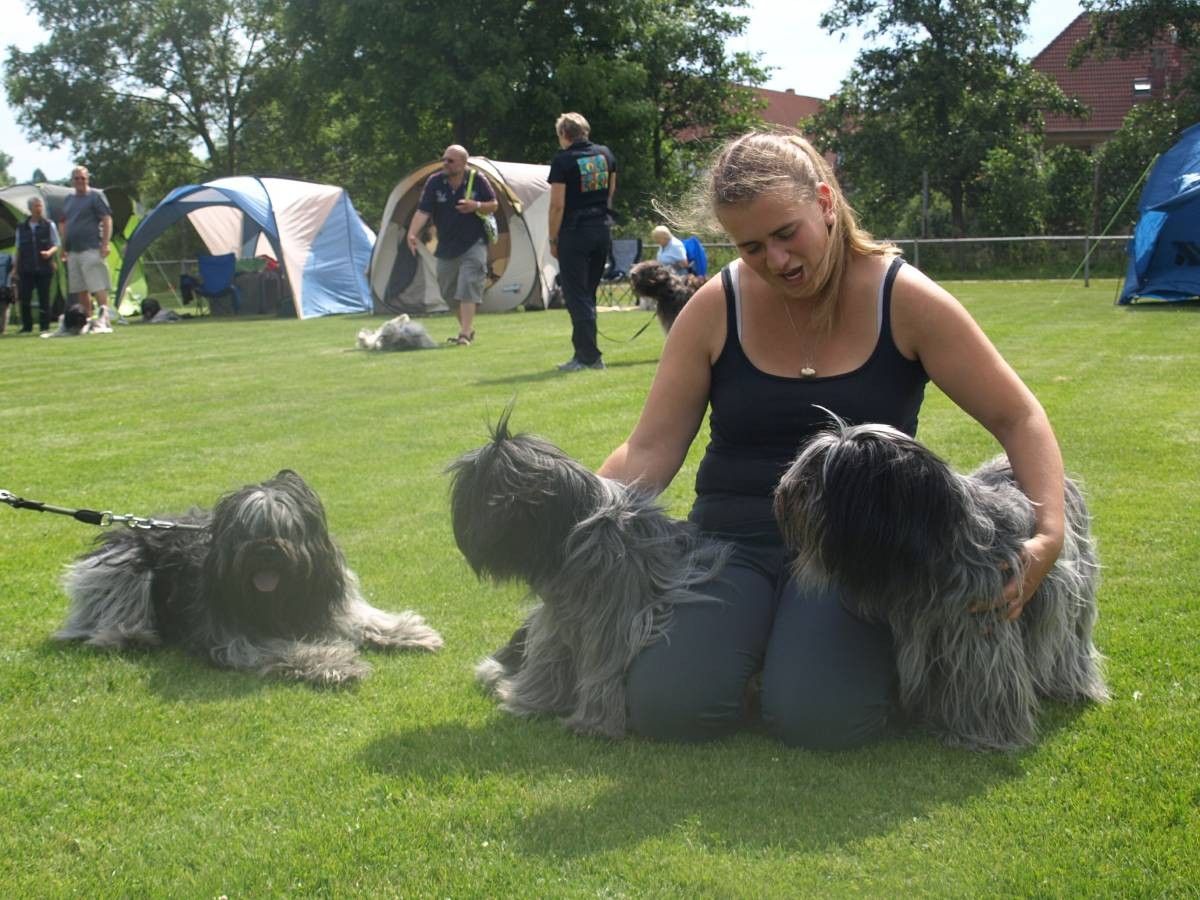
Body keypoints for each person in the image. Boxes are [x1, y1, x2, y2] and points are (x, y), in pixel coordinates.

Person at [597, 129, 1067, 749]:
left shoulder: (904, 299)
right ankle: (763, 643)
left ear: (824, 201)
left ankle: (794, 659)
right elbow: (652, 448)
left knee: (823, 718)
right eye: (751, 246)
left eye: (787, 233)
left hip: (858, 554)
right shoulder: (715, 307)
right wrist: (589, 512)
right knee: (668, 707)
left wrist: (1050, 534)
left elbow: (1018, 417)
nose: (777, 261)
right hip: (732, 542)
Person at [406, 145, 498, 346]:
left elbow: (494, 204)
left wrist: (477, 206)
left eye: (451, 160)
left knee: (468, 284)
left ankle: (464, 334)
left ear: (463, 163)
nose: (445, 163)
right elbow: (423, 211)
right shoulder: (434, 182)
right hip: (447, 246)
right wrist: (412, 234)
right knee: (448, 293)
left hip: (474, 242)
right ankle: (468, 328)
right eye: (444, 159)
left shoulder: (477, 179)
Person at [548, 112, 618, 372]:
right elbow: (610, 191)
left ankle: (589, 357)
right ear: (585, 132)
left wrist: (553, 238)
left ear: (563, 135)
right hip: (601, 229)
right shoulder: (605, 155)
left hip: (574, 232)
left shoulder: (563, 161)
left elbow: (557, 205)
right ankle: (583, 353)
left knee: (576, 296)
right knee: (587, 294)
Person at [60, 165, 114, 327]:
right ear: (72, 181)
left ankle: (104, 319)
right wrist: (64, 247)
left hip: (91, 248)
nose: (80, 181)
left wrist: (105, 243)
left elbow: (106, 219)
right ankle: (86, 319)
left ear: (87, 179)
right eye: (76, 178)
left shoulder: (96, 196)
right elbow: (64, 223)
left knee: (97, 285)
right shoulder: (69, 199)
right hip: (73, 250)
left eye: (83, 178)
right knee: (80, 289)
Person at [13, 196, 60, 334]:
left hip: (44, 267)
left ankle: (44, 326)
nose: (39, 209)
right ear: (30, 209)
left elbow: (56, 244)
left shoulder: (49, 224)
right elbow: (18, 248)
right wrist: (15, 269)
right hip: (26, 267)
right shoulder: (21, 227)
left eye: (40, 206)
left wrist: (49, 253)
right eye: (36, 206)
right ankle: (27, 326)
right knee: (24, 297)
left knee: (44, 297)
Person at [0, 252, 13, 335]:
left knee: (4, 308)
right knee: (4, 308)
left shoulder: (8, 256)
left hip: (4, 285)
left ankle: (3, 329)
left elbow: (13, 268)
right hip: (5, 284)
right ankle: (3, 329)